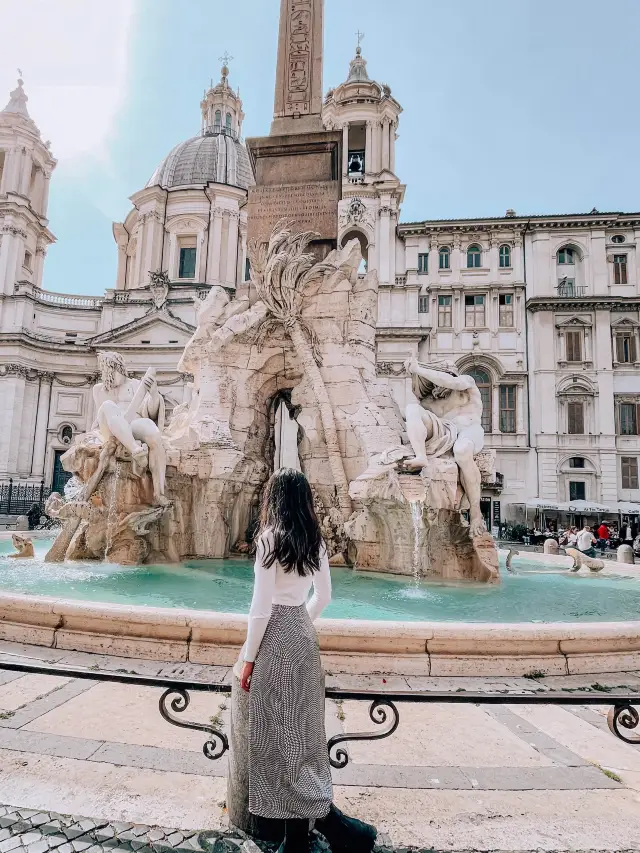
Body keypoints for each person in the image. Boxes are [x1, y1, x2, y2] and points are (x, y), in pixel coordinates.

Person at [240, 469, 377, 853]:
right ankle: (306, 835)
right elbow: (326, 596)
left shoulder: (269, 540)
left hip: (276, 640)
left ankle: (306, 836)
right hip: (303, 632)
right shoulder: (314, 540)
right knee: (303, 734)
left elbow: (260, 609)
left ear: (275, 500)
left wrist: (248, 659)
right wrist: (301, 622)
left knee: (278, 736)